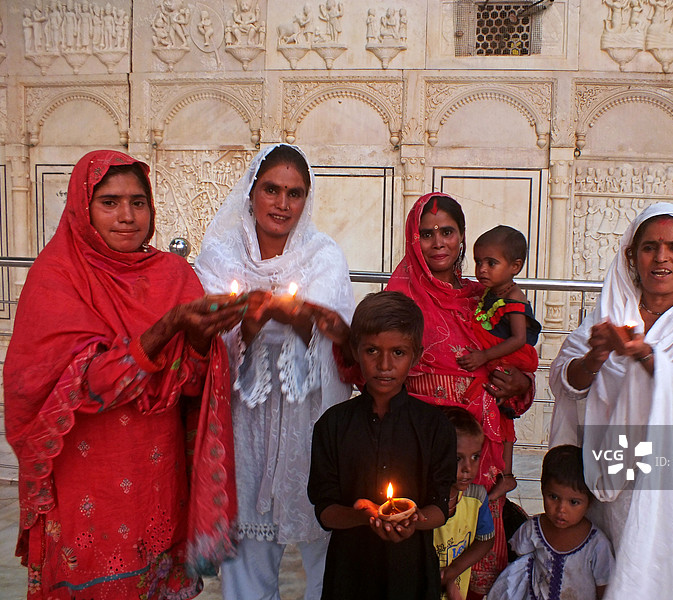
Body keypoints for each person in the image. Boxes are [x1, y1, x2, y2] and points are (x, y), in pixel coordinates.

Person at [4, 150, 241, 599]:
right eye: (110, 202)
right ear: (83, 208)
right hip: (88, 477)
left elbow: (190, 384)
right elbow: (88, 385)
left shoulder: (172, 274)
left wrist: (201, 340)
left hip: (157, 474)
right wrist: (168, 327)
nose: (128, 216)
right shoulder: (57, 277)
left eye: (138, 202)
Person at [548, 202, 673, 600]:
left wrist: (644, 354)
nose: (661, 258)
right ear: (632, 256)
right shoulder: (610, 312)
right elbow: (565, 380)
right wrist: (595, 357)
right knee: (605, 571)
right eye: (650, 247)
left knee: (656, 576)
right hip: (606, 475)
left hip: (670, 483)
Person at [194, 143, 354, 600]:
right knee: (247, 549)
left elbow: (335, 330)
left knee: (324, 539)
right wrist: (246, 320)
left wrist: (290, 314)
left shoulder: (324, 255)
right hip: (244, 417)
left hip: (310, 418)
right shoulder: (221, 252)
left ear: (307, 199)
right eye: (271, 190)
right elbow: (207, 324)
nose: (282, 204)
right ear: (251, 191)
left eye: (295, 193)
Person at [386, 192, 535, 596]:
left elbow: (518, 362)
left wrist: (521, 385)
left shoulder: (485, 298)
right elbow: (380, 371)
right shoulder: (400, 297)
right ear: (413, 240)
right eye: (427, 233)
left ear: (462, 237)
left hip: (481, 450)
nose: (438, 242)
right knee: (422, 554)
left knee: (478, 543)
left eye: (447, 232)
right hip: (422, 445)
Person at [308, 291, 457, 600]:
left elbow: (439, 507)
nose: (384, 364)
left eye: (398, 352)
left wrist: (413, 521)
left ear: (416, 356)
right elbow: (325, 511)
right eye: (372, 350)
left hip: (412, 575)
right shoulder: (332, 425)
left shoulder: (435, 426)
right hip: (349, 575)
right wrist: (364, 515)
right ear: (355, 350)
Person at [456, 225, 541, 501]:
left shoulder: (514, 299)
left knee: (504, 418)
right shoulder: (490, 292)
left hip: (507, 356)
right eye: (478, 261)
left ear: (515, 266)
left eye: (491, 263)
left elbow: (518, 339)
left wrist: (484, 357)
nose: (482, 269)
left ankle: (506, 476)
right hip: (496, 356)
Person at [488, 445, 614, 600]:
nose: (561, 509)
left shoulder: (597, 545)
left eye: (574, 502)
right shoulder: (534, 529)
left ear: (590, 501)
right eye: (553, 497)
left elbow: (604, 589)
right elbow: (516, 562)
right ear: (542, 490)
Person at [435, 407, 495, 600]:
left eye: (475, 457)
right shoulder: (421, 501)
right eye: (457, 458)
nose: (468, 468)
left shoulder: (476, 497)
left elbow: (485, 538)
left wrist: (454, 570)